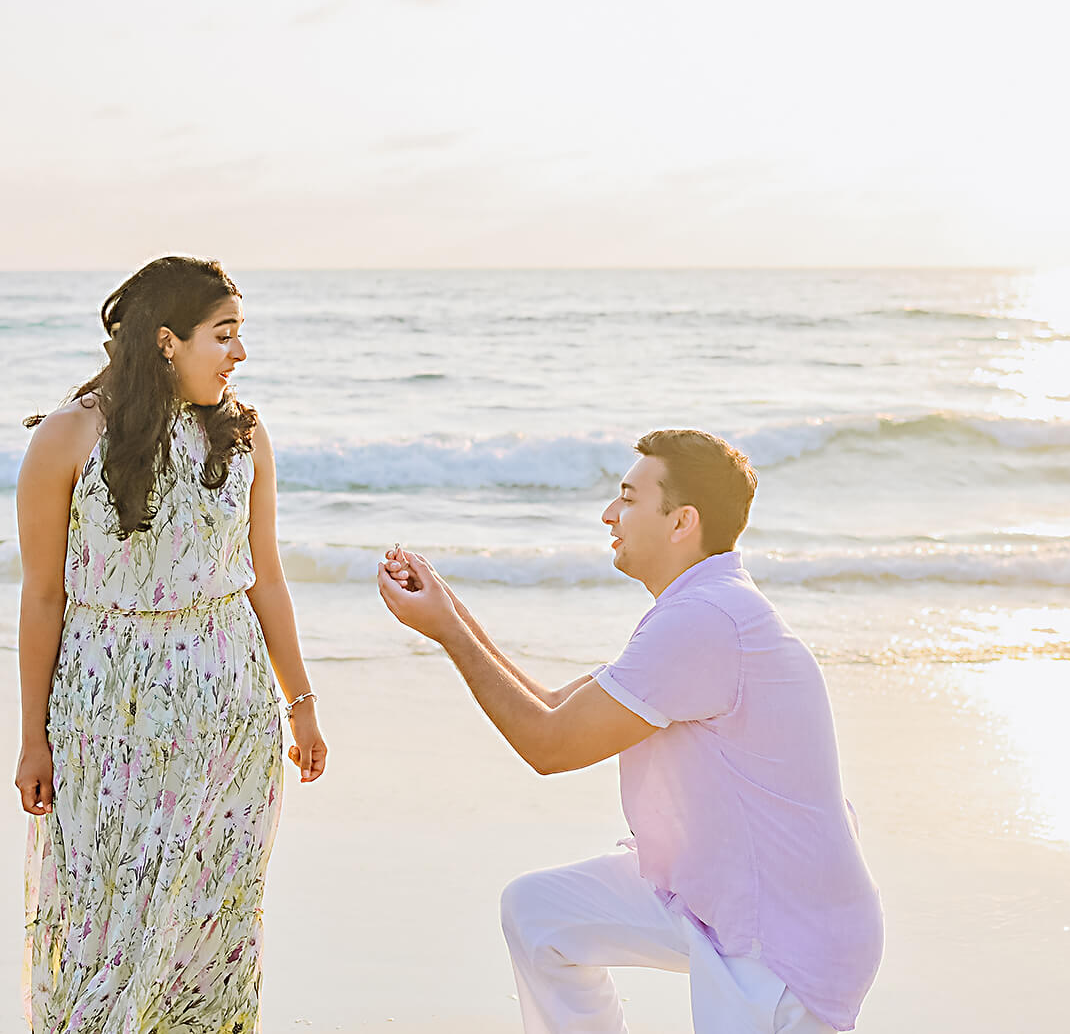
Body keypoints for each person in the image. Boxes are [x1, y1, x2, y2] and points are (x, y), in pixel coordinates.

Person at [377, 429, 881, 1034]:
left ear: (681, 522)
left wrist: (447, 633)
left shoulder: (707, 621)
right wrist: (450, 612)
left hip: (783, 939)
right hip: (713, 891)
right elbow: (556, 706)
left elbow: (549, 745)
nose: (608, 514)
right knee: (540, 913)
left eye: (629, 498)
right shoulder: (698, 606)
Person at [15, 256, 327, 1033]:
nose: (239, 354)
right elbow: (44, 596)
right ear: (165, 342)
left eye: (239, 336)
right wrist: (32, 738)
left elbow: (266, 579)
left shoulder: (243, 435)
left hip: (229, 718)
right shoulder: (67, 440)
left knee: (211, 928)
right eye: (223, 336)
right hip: (108, 720)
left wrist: (303, 705)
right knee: (111, 926)